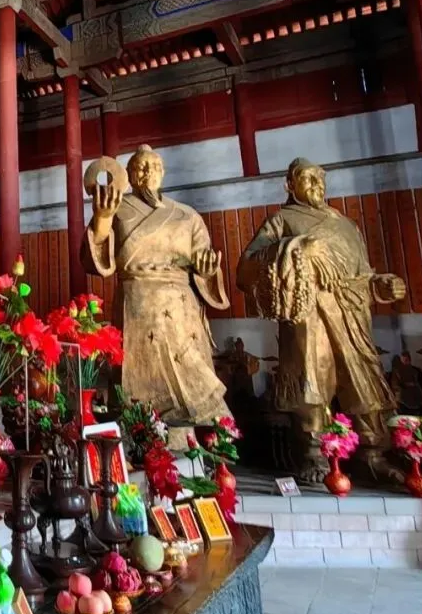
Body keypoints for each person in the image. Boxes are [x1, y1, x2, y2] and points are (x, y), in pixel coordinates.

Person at [236, 157, 404, 480]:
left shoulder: (346, 225)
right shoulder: (282, 220)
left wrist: (380, 285)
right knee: (310, 383)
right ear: (289, 185)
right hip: (308, 313)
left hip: (349, 313)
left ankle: (372, 453)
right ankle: (313, 453)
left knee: (362, 380)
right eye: (307, 178)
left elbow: (362, 277)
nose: (316, 184)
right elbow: (246, 269)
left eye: (319, 178)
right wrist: (295, 246)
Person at [82, 145, 230, 426]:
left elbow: (206, 266)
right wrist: (102, 219)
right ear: (129, 175)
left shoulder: (187, 215)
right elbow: (94, 260)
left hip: (180, 306)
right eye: (141, 167)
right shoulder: (116, 207)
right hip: (137, 302)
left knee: (192, 376)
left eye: (155, 167)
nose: (148, 172)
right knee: (138, 382)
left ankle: (203, 435)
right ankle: (143, 432)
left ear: (163, 173)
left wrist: (207, 269)